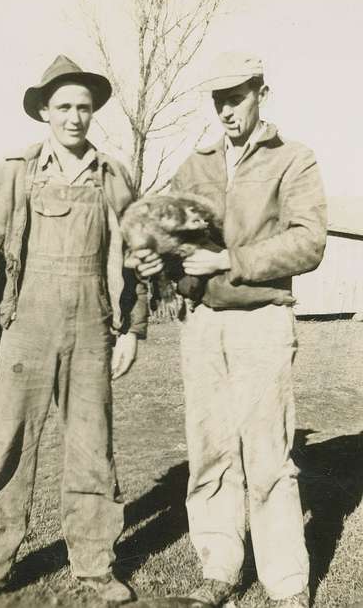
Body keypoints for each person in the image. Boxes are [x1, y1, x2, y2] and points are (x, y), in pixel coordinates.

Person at [0, 55, 148, 608]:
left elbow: (134, 257)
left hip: (93, 325)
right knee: (8, 445)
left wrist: (132, 329)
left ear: (94, 113)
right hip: (26, 322)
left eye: (84, 107)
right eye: (63, 107)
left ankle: (94, 564)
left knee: (92, 447)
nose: (74, 118)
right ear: (44, 111)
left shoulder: (112, 176)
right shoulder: (16, 170)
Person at [133, 52, 327, 607]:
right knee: (210, 451)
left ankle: (286, 583)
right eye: (217, 99)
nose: (225, 110)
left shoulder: (293, 159)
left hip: (262, 322)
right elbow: (169, 238)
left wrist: (228, 261)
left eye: (235, 96)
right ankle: (219, 567)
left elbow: (309, 241)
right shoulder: (194, 165)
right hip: (202, 327)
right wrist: (158, 262)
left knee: (267, 455)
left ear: (262, 93)